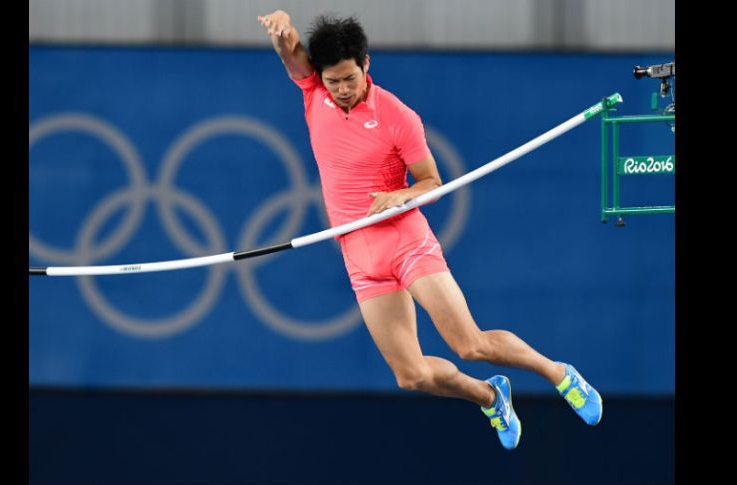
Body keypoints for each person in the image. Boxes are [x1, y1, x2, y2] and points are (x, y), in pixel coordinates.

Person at [257, 10, 602, 450]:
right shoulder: (313, 93)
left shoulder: (398, 116)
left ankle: (559, 374)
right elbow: (290, 51)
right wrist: (282, 27)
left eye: (349, 79)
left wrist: (400, 195)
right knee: (411, 375)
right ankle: (490, 396)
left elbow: (433, 183)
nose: (342, 90)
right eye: (333, 82)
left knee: (470, 345)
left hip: (404, 240)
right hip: (359, 256)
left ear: (366, 64)